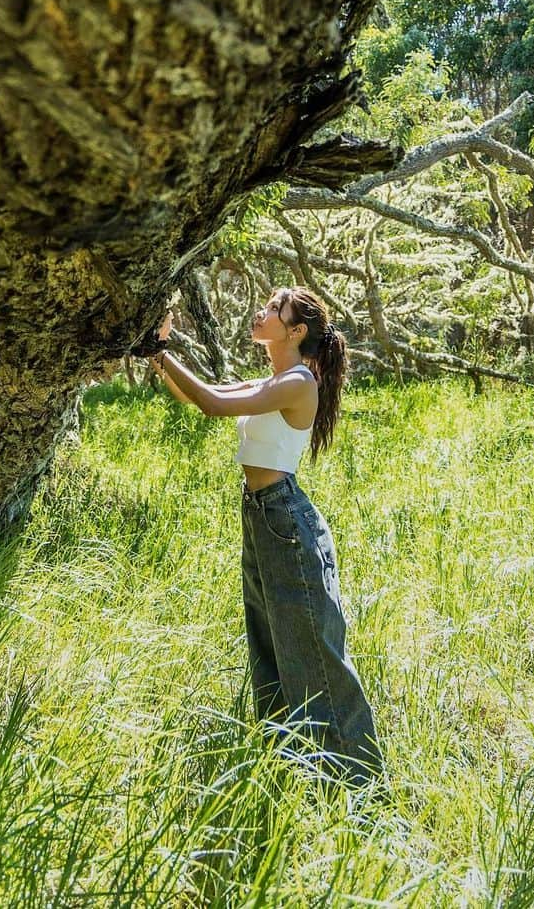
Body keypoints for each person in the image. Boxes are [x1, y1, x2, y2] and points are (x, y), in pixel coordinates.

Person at [149, 286, 382, 786]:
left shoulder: (298, 382)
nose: (262, 311)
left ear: (295, 332)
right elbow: (205, 395)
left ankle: (358, 783)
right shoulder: (276, 378)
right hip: (260, 515)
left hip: (284, 520)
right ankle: (290, 766)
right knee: (269, 643)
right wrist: (159, 355)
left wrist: (160, 352)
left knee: (312, 653)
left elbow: (211, 404)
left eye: (275, 309)